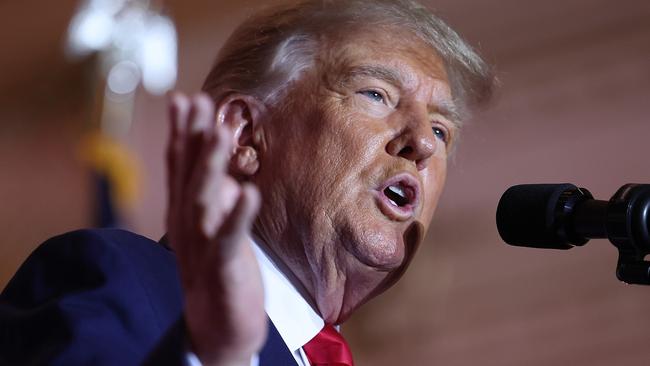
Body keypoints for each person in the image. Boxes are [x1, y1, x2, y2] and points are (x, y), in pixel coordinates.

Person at [0, 0, 495, 365]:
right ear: (244, 133)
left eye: (440, 129)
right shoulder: (119, 280)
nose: (423, 145)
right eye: (376, 94)